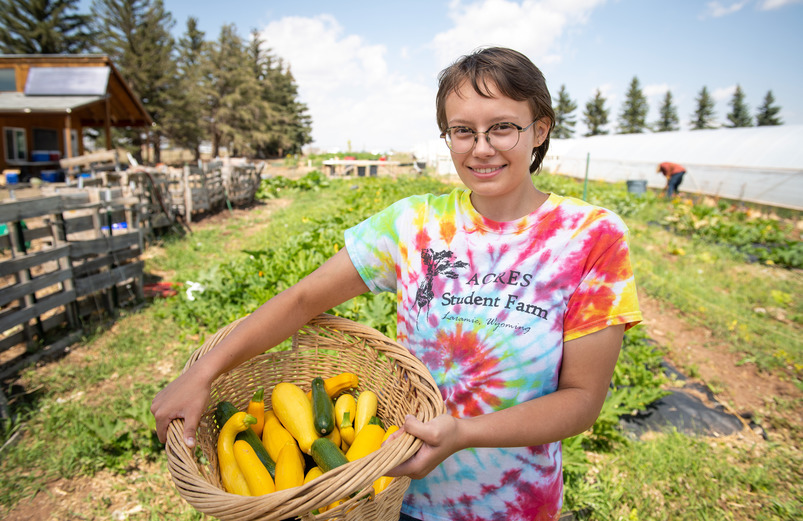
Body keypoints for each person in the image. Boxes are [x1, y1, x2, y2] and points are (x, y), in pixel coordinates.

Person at [151, 47, 642, 521]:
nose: (481, 148)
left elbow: (581, 402)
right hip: (392, 494)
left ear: (540, 130)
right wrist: (203, 373)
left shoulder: (590, 237)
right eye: (462, 131)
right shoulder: (414, 224)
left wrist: (464, 433)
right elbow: (303, 298)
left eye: (503, 128)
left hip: (513, 504)